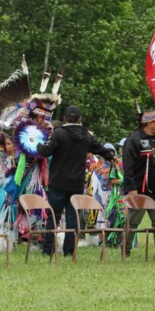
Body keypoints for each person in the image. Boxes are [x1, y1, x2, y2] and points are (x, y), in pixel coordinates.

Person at [36, 105, 117, 259]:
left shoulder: (58, 133)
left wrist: (37, 143)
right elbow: (100, 148)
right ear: (80, 119)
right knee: (73, 218)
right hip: (76, 184)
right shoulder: (86, 135)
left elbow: (46, 151)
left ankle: (47, 250)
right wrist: (111, 157)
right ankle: (69, 251)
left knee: (54, 216)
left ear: (65, 118)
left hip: (58, 182)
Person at [122, 110, 155, 258]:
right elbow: (128, 167)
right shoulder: (134, 140)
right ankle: (125, 248)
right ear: (150, 123)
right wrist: (132, 188)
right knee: (133, 221)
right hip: (139, 190)